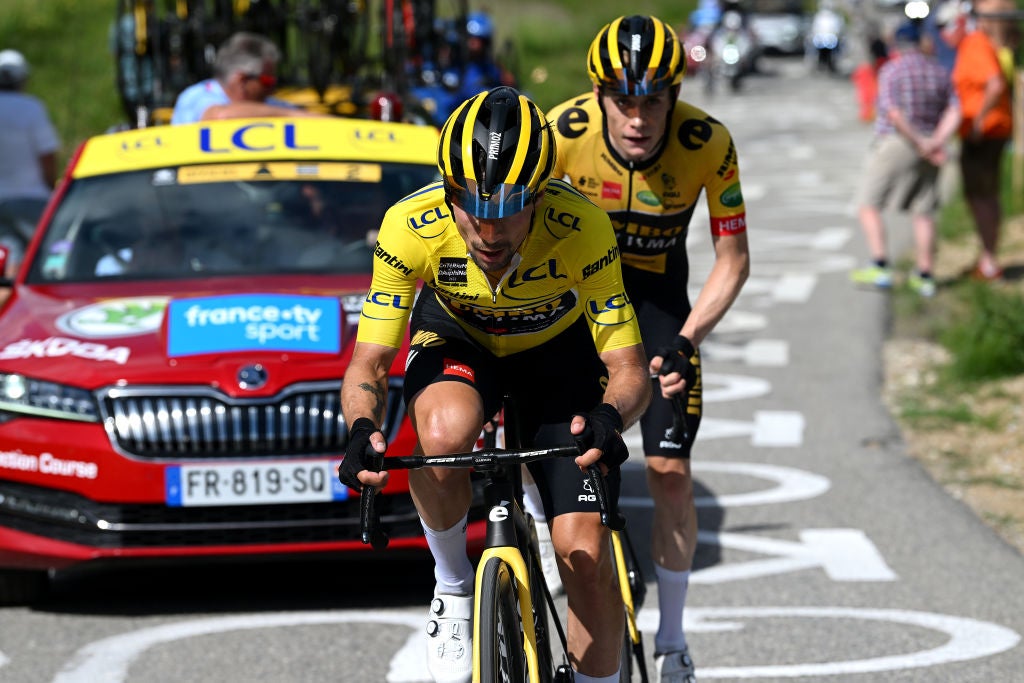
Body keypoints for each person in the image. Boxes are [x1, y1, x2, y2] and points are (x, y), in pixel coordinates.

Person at [337, 86, 651, 683]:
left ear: (539, 194)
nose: (487, 228)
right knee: (441, 432)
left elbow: (628, 366)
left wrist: (612, 419)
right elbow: (370, 363)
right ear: (448, 192)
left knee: (584, 556)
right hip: (459, 343)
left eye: (509, 206)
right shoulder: (409, 226)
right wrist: (360, 429)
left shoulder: (580, 225)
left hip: (556, 355)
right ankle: (453, 587)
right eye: (472, 206)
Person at [546, 15, 751, 683]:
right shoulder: (562, 135)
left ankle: (672, 638)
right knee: (571, 463)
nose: (638, 119)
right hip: (579, 309)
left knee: (668, 472)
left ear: (675, 95)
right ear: (600, 95)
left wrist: (690, 340)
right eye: (624, 102)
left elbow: (733, 258)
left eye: (654, 101)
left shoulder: (706, 142)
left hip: (661, 308)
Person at [850, 21, 961, 297]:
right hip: (930, 143)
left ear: (896, 45)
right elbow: (955, 110)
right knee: (924, 211)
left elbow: (894, 114)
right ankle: (924, 276)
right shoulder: (938, 70)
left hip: (899, 142)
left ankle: (880, 265)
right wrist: (935, 141)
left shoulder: (892, 70)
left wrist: (919, 141)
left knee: (868, 203)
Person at [950, 0, 1018, 281]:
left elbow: (994, 84)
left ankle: (989, 261)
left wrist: (977, 123)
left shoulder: (976, 42)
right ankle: (988, 258)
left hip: (984, 131)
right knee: (986, 195)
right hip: (996, 128)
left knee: (981, 196)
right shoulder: (990, 42)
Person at [0, 49, 60, 277]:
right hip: (31, 198)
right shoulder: (30, 107)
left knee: (10, 263)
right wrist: (52, 187)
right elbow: (46, 154)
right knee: (52, 255)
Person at [170, 32, 312, 124]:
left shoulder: (268, 105)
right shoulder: (197, 95)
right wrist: (288, 116)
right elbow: (219, 116)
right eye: (268, 81)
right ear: (242, 80)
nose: (272, 89)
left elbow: (310, 118)